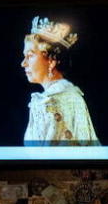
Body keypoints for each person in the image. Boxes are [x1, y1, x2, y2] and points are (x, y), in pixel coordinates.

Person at [22, 16, 99, 146]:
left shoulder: (50, 103)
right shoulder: (71, 95)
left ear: (51, 61)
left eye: (29, 56)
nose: (23, 63)